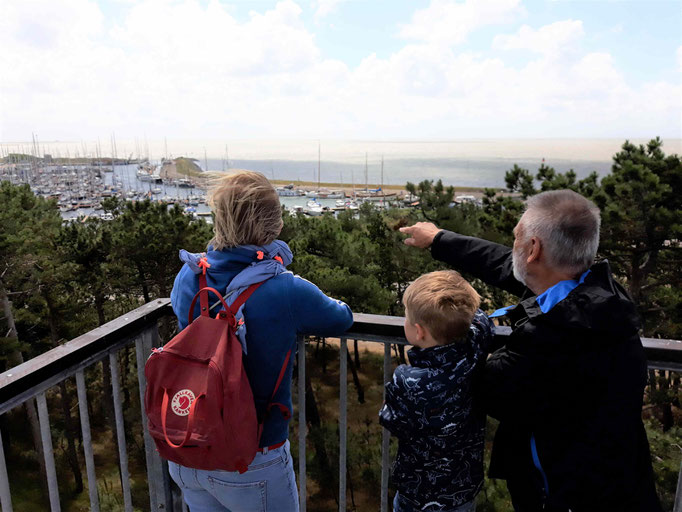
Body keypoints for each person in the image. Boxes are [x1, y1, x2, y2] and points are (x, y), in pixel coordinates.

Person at [399, 190, 662, 512]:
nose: (512, 249)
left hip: (566, 496)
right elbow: (503, 265)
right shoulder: (595, 295)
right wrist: (440, 239)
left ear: (533, 249)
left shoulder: (559, 337)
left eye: (516, 239)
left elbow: (478, 388)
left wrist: (441, 335)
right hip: (622, 484)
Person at [169, 170, 353, 512]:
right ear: (275, 224)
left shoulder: (191, 273)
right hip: (252, 455)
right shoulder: (284, 288)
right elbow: (341, 318)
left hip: (188, 447)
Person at [379, 270, 494, 512]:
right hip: (462, 489)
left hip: (418, 494)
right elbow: (480, 319)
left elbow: (391, 419)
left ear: (419, 331)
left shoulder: (409, 381)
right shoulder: (475, 345)